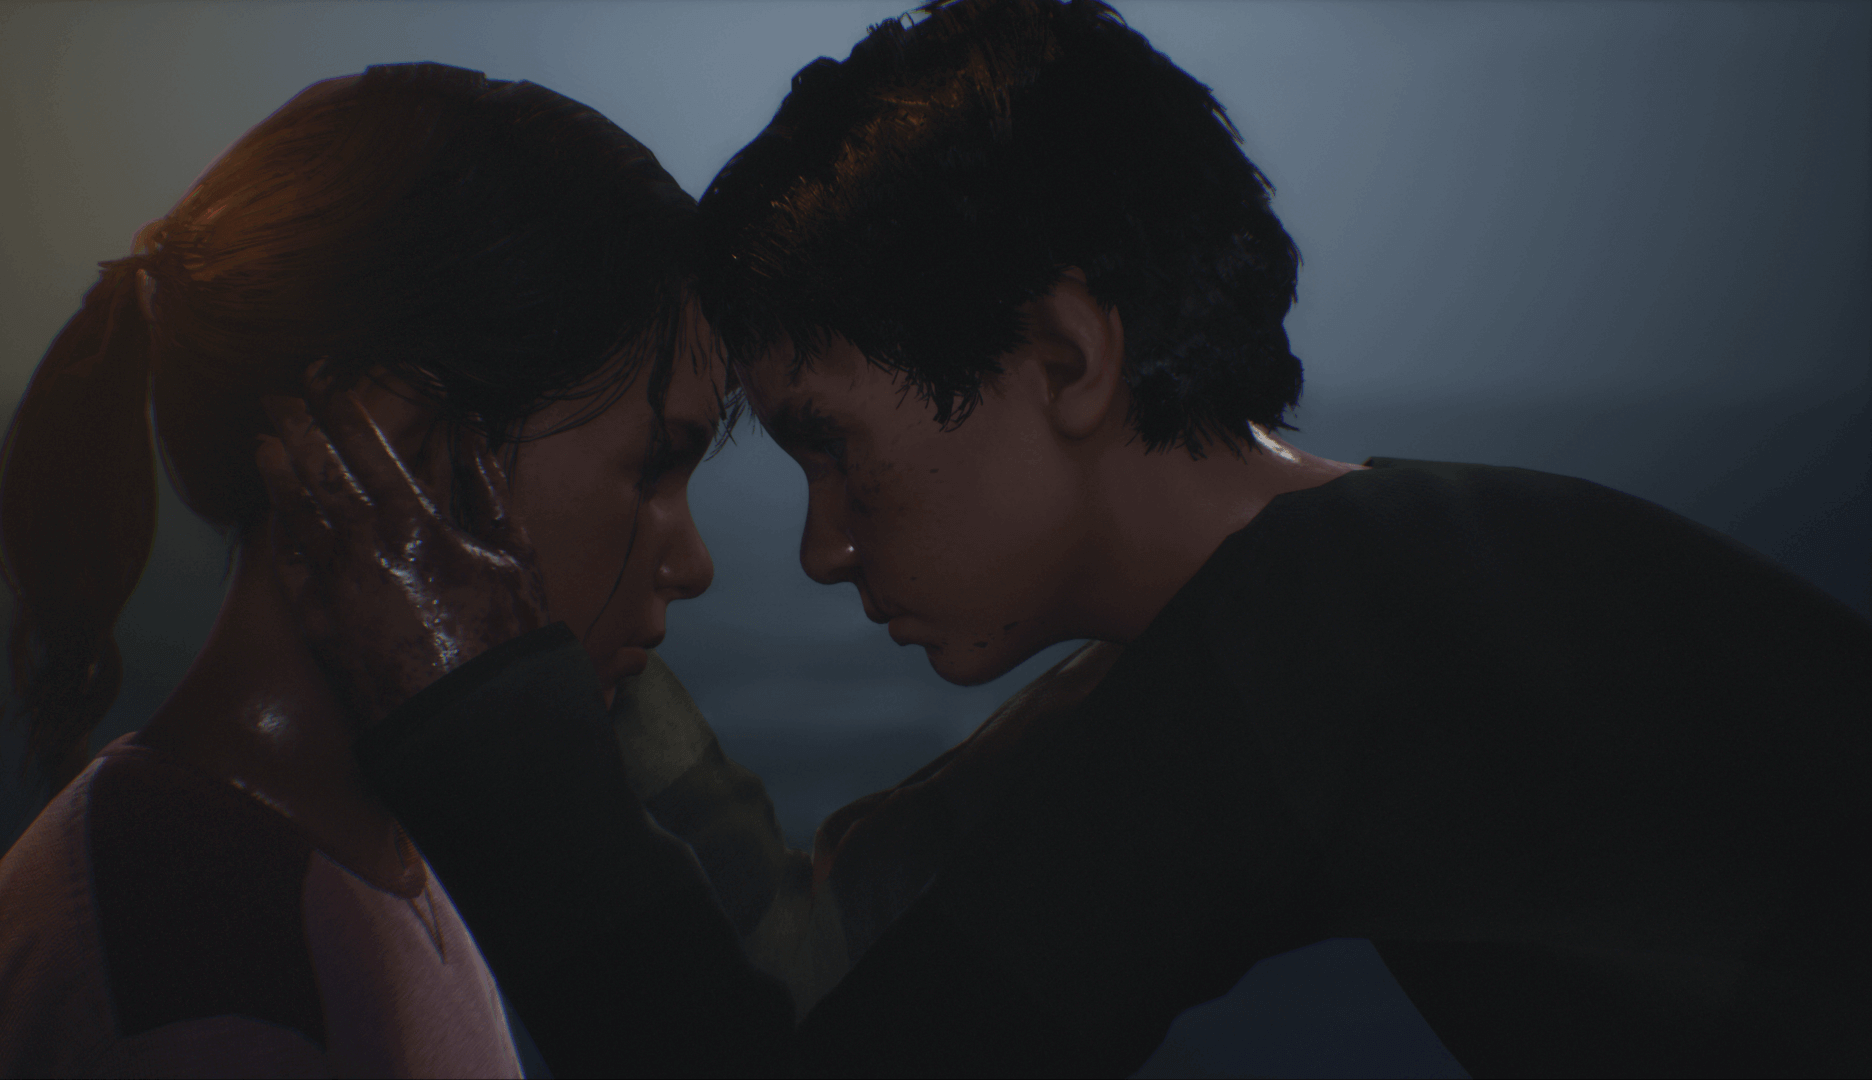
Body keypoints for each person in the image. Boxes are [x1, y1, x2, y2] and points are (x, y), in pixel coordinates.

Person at [262, 2, 1872, 1076]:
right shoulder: (1348, 606)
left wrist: (479, 709)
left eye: (836, 447)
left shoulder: (1329, 630)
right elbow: (825, 967)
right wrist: (555, 622)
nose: (821, 550)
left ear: (1066, 356)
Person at [0, 62, 738, 1077]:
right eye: (654, 466)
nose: (694, 562)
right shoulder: (218, 986)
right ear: (394, 440)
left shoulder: (327, 865)